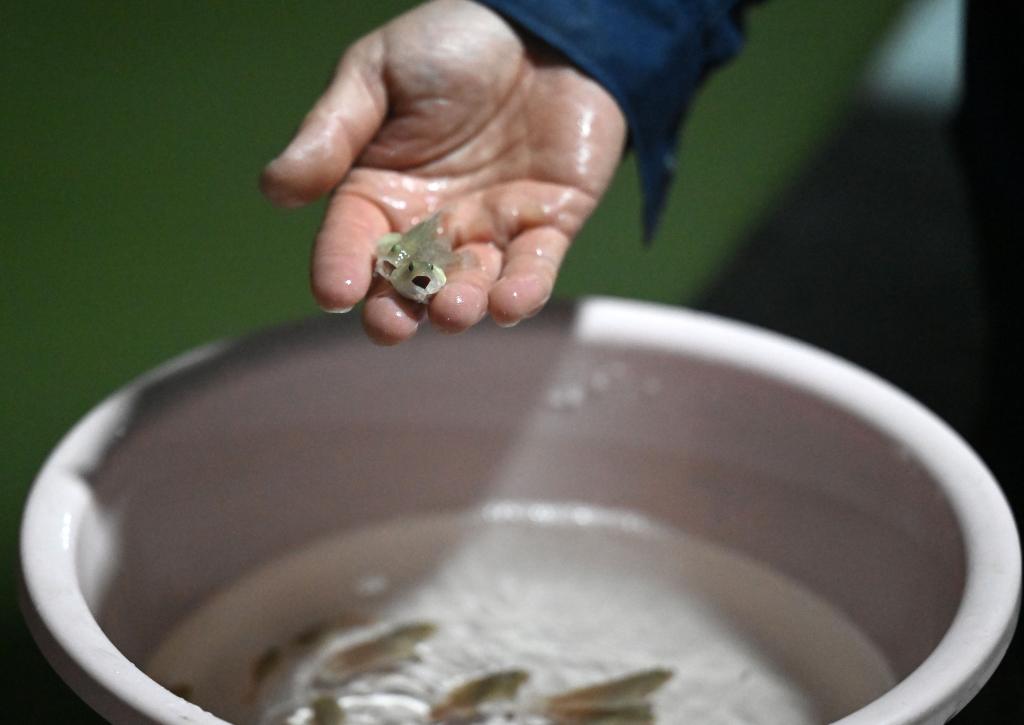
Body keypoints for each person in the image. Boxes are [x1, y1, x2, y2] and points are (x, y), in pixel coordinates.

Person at [259, 0, 747, 345]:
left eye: (424, 278)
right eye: (417, 277)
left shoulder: (437, 261)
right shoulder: (400, 259)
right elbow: (395, 255)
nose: (420, 283)